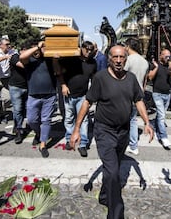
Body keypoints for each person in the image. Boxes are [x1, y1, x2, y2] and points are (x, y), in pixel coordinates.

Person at [70, 45, 154, 219]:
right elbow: (87, 102)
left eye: (121, 57)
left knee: (111, 170)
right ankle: (116, 214)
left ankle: (103, 196)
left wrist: (147, 122)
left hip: (123, 131)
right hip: (104, 131)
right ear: (109, 58)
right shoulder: (100, 78)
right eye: (114, 57)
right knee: (113, 172)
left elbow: (138, 100)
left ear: (126, 59)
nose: (118, 60)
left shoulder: (130, 78)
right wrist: (77, 129)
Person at [53, 41, 97, 157]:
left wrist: (92, 95)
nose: (88, 51)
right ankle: (69, 140)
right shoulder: (71, 59)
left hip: (83, 96)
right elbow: (59, 72)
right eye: (86, 49)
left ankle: (83, 144)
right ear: (81, 48)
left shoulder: (92, 63)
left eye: (91, 49)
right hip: (69, 95)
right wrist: (63, 85)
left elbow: (94, 79)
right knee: (69, 118)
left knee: (84, 120)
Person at [20, 40, 57, 158]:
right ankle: (38, 133)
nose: (37, 51)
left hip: (49, 95)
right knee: (31, 120)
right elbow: (22, 56)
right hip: (33, 96)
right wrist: (37, 46)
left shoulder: (48, 60)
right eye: (34, 49)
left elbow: (58, 71)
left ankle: (43, 144)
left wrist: (54, 58)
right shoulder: (28, 61)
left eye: (39, 49)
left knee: (46, 120)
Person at [147, 48, 171, 149]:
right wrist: (156, 68)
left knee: (161, 115)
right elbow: (150, 77)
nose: (168, 58)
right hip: (157, 94)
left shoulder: (170, 66)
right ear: (161, 56)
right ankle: (164, 137)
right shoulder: (156, 65)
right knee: (161, 116)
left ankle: (157, 129)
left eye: (169, 56)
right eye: (166, 56)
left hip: (167, 94)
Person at [123, 37, 149, 155]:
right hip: (138, 94)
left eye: (125, 46)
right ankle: (133, 145)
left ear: (128, 46)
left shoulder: (129, 60)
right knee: (133, 120)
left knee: (123, 120)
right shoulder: (144, 61)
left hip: (126, 93)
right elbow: (145, 81)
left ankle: (122, 142)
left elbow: (121, 75)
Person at [8, 45, 28, 144]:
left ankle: (19, 126)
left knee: (26, 109)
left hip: (27, 87)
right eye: (24, 50)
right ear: (21, 50)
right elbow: (22, 65)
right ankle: (18, 130)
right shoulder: (15, 57)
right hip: (16, 87)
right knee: (17, 109)